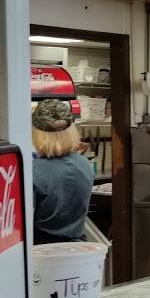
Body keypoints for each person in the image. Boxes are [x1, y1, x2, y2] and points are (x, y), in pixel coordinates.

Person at [31, 99, 94, 244]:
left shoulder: (33, 171)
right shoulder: (83, 163)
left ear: (37, 134)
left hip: (42, 250)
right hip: (76, 247)